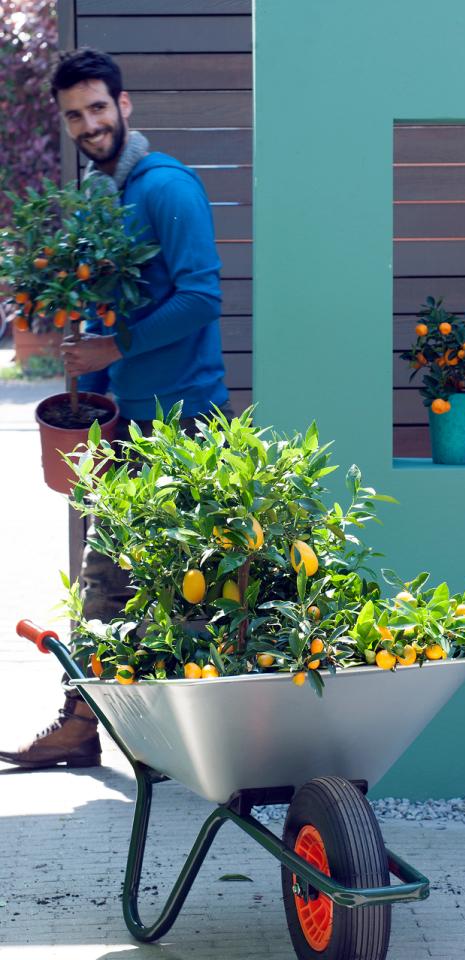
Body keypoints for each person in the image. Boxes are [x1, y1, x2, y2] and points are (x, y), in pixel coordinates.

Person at [0, 48, 233, 769]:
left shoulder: (165, 189)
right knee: (115, 571)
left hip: (185, 421)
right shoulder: (109, 199)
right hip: (132, 415)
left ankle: (169, 735)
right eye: (75, 115)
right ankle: (89, 722)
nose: (88, 124)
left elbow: (202, 296)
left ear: (125, 107)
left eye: (99, 109)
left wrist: (114, 345)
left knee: (176, 579)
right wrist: (88, 333)